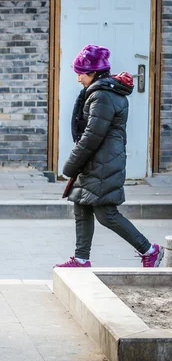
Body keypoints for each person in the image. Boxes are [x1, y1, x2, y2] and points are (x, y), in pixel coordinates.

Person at [55, 45, 163, 268]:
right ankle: (82, 258)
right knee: (81, 205)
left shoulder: (103, 96)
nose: (77, 78)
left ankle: (149, 250)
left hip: (102, 163)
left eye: (80, 73)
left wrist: (71, 165)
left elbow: (92, 136)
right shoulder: (102, 92)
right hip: (96, 161)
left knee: (106, 214)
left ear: (93, 72)